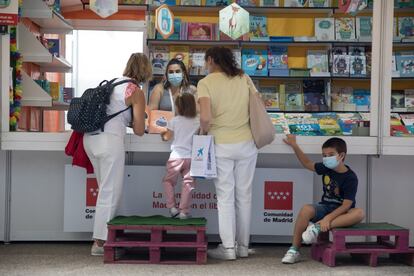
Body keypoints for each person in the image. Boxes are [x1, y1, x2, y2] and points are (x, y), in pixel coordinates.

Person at [83, 53, 152, 256]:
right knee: (110, 193)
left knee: (105, 190)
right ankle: (100, 243)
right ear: (145, 71)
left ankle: (106, 237)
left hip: (90, 139)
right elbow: (139, 130)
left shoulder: (112, 84)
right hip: (109, 141)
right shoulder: (136, 91)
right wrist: (140, 119)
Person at [197, 47, 258, 260]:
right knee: (244, 196)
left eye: (206, 61)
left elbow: (205, 118)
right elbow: (257, 105)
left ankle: (228, 248)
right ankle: (243, 246)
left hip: (221, 144)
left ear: (211, 60)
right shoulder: (244, 78)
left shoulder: (205, 83)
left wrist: (204, 131)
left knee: (225, 197)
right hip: (247, 144)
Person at [282, 135, 365, 264]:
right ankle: (294, 250)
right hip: (325, 207)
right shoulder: (326, 167)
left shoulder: (350, 177)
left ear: (341, 155)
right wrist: (294, 145)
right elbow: (307, 163)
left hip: (342, 213)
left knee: (359, 213)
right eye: (324, 155)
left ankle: (316, 227)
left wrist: (327, 219)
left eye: (331, 154)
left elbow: (346, 205)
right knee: (306, 209)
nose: (327, 158)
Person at [161, 93, 200, 219]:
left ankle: (172, 208)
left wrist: (163, 134)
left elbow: (167, 137)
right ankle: (184, 212)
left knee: (168, 181)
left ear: (179, 107)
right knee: (188, 183)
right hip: (191, 158)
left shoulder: (174, 121)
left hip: (176, 157)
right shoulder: (197, 121)